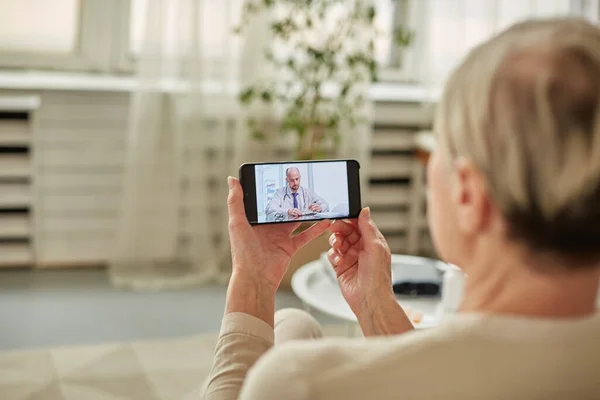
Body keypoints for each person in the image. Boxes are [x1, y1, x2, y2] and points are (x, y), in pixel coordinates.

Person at [205, 18, 600, 399]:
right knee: (295, 322)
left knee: (289, 328)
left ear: (469, 195)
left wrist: (253, 280)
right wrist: (375, 304)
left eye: (438, 148)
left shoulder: (300, 383)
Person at [265, 167, 329, 219]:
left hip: (304, 226)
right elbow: (269, 209)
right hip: (286, 227)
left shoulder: (308, 192)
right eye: (292, 180)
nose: (295, 183)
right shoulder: (279, 193)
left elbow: (325, 205)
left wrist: (320, 208)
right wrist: (287, 211)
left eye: (297, 179)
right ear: (287, 180)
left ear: (300, 177)